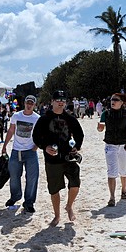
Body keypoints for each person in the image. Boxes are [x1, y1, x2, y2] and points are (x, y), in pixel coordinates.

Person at [33, 90, 84, 226]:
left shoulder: (70, 118)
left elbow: (79, 134)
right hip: (52, 160)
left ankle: (69, 206)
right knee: (54, 189)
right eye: (58, 100)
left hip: (69, 157)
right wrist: (45, 147)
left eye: (63, 100)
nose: (60, 102)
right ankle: (57, 216)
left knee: (75, 184)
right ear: (52, 102)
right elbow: (36, 136)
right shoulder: (44, 119)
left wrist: (77, 146)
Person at [1, 95, 40, 213]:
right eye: (27, 103)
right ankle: (15, 196)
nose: (29, 105)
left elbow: (41, 134)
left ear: (34, 105)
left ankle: (29, 202)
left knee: (32, 178)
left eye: (31, 103)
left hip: (30, 152)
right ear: (24, 103)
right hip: (16, 151)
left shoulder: (37, 118)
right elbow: (11, 130)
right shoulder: (16, 116)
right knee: (14, 177)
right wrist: (4, 146)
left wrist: (36, 146)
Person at [97, 92, 126, 206]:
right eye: (112, 99)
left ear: (122, 102)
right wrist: (99, 128)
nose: (113, 101)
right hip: (110, 145)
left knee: (124, 171)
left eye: (116, 100)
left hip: (124, 146)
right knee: (111, 171)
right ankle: (112, 197)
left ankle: (124, 190)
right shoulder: (106, 113)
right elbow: (100, 128)